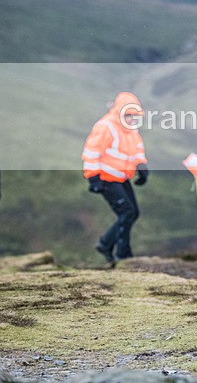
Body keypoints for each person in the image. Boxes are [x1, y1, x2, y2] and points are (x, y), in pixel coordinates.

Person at [82, 92, 149, 266]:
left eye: (134, 115)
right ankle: (123, 255)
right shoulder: (106, 126)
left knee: (133, 212)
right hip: (106, 178)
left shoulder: (131, 127)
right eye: (129, 114)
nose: (132, 118)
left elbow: (136, 149)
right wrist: (93, 177)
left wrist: (141, 166)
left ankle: (105, 244)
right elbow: (91, 152)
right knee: (126, 213)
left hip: (121, 177)